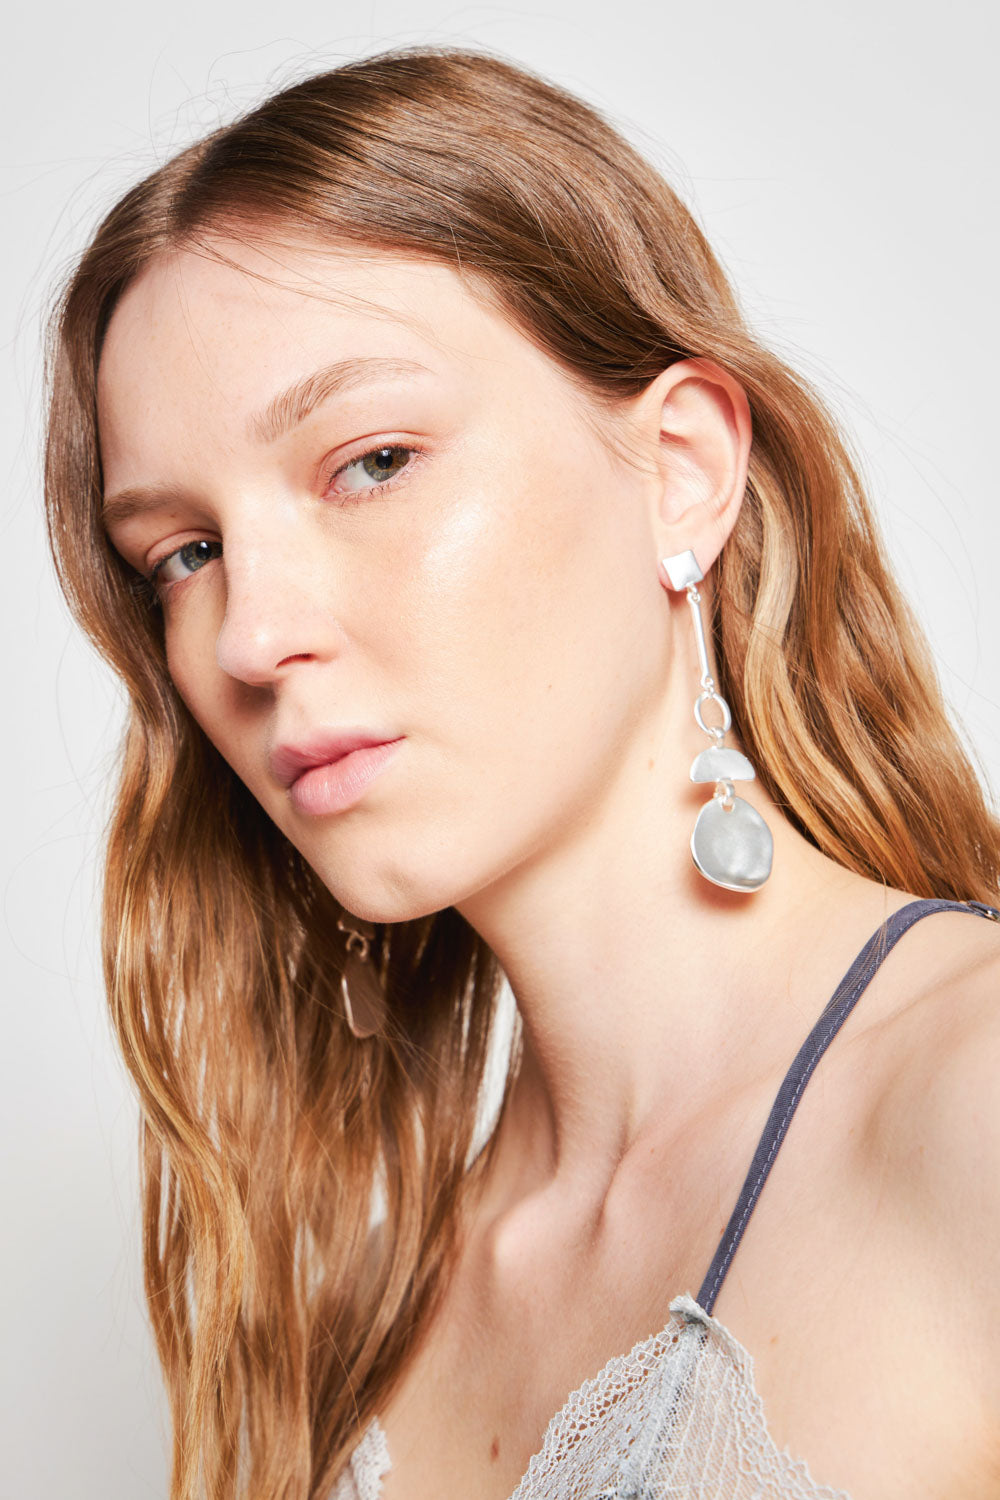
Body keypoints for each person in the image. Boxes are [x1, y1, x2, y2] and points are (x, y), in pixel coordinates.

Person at [42, 42, 1000, 1500]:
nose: (248, 635)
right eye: (185, 551)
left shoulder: (968, 1104)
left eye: (372, 462)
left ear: (680, 469)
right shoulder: (361, 1277)